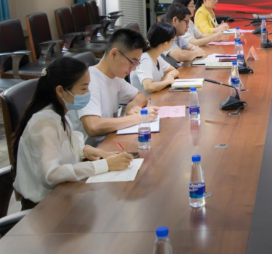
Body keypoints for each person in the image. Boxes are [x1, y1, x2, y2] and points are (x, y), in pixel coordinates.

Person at [13, 57, 133, 209]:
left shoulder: (60, 112)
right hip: (44, 207)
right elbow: (51, 174)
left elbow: (62, 146)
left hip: (61, 194)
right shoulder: (45, 124)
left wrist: (86, 150)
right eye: (83, 89)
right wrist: (104, 165)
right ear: (60, 91)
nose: (88, 93)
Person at [76, 28, 158, 146]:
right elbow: (93, 126)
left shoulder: (116, 77)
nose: (134, 68)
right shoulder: (89, 80)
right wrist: (139, 118)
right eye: (132, 62)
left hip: (108, 141)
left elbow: (141, 96)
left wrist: (132, 106)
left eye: (136, 63)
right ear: (114, 54)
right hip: (90, 150)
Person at [132, 22, 180, 95]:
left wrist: (168, 77)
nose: (173, 43)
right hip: (146, 101)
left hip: (155, 97)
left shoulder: (156, 56)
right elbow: (148, 87)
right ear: (165, 44)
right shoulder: (145, 59)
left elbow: (174, 71)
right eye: (172, 40)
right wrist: (167, 81)